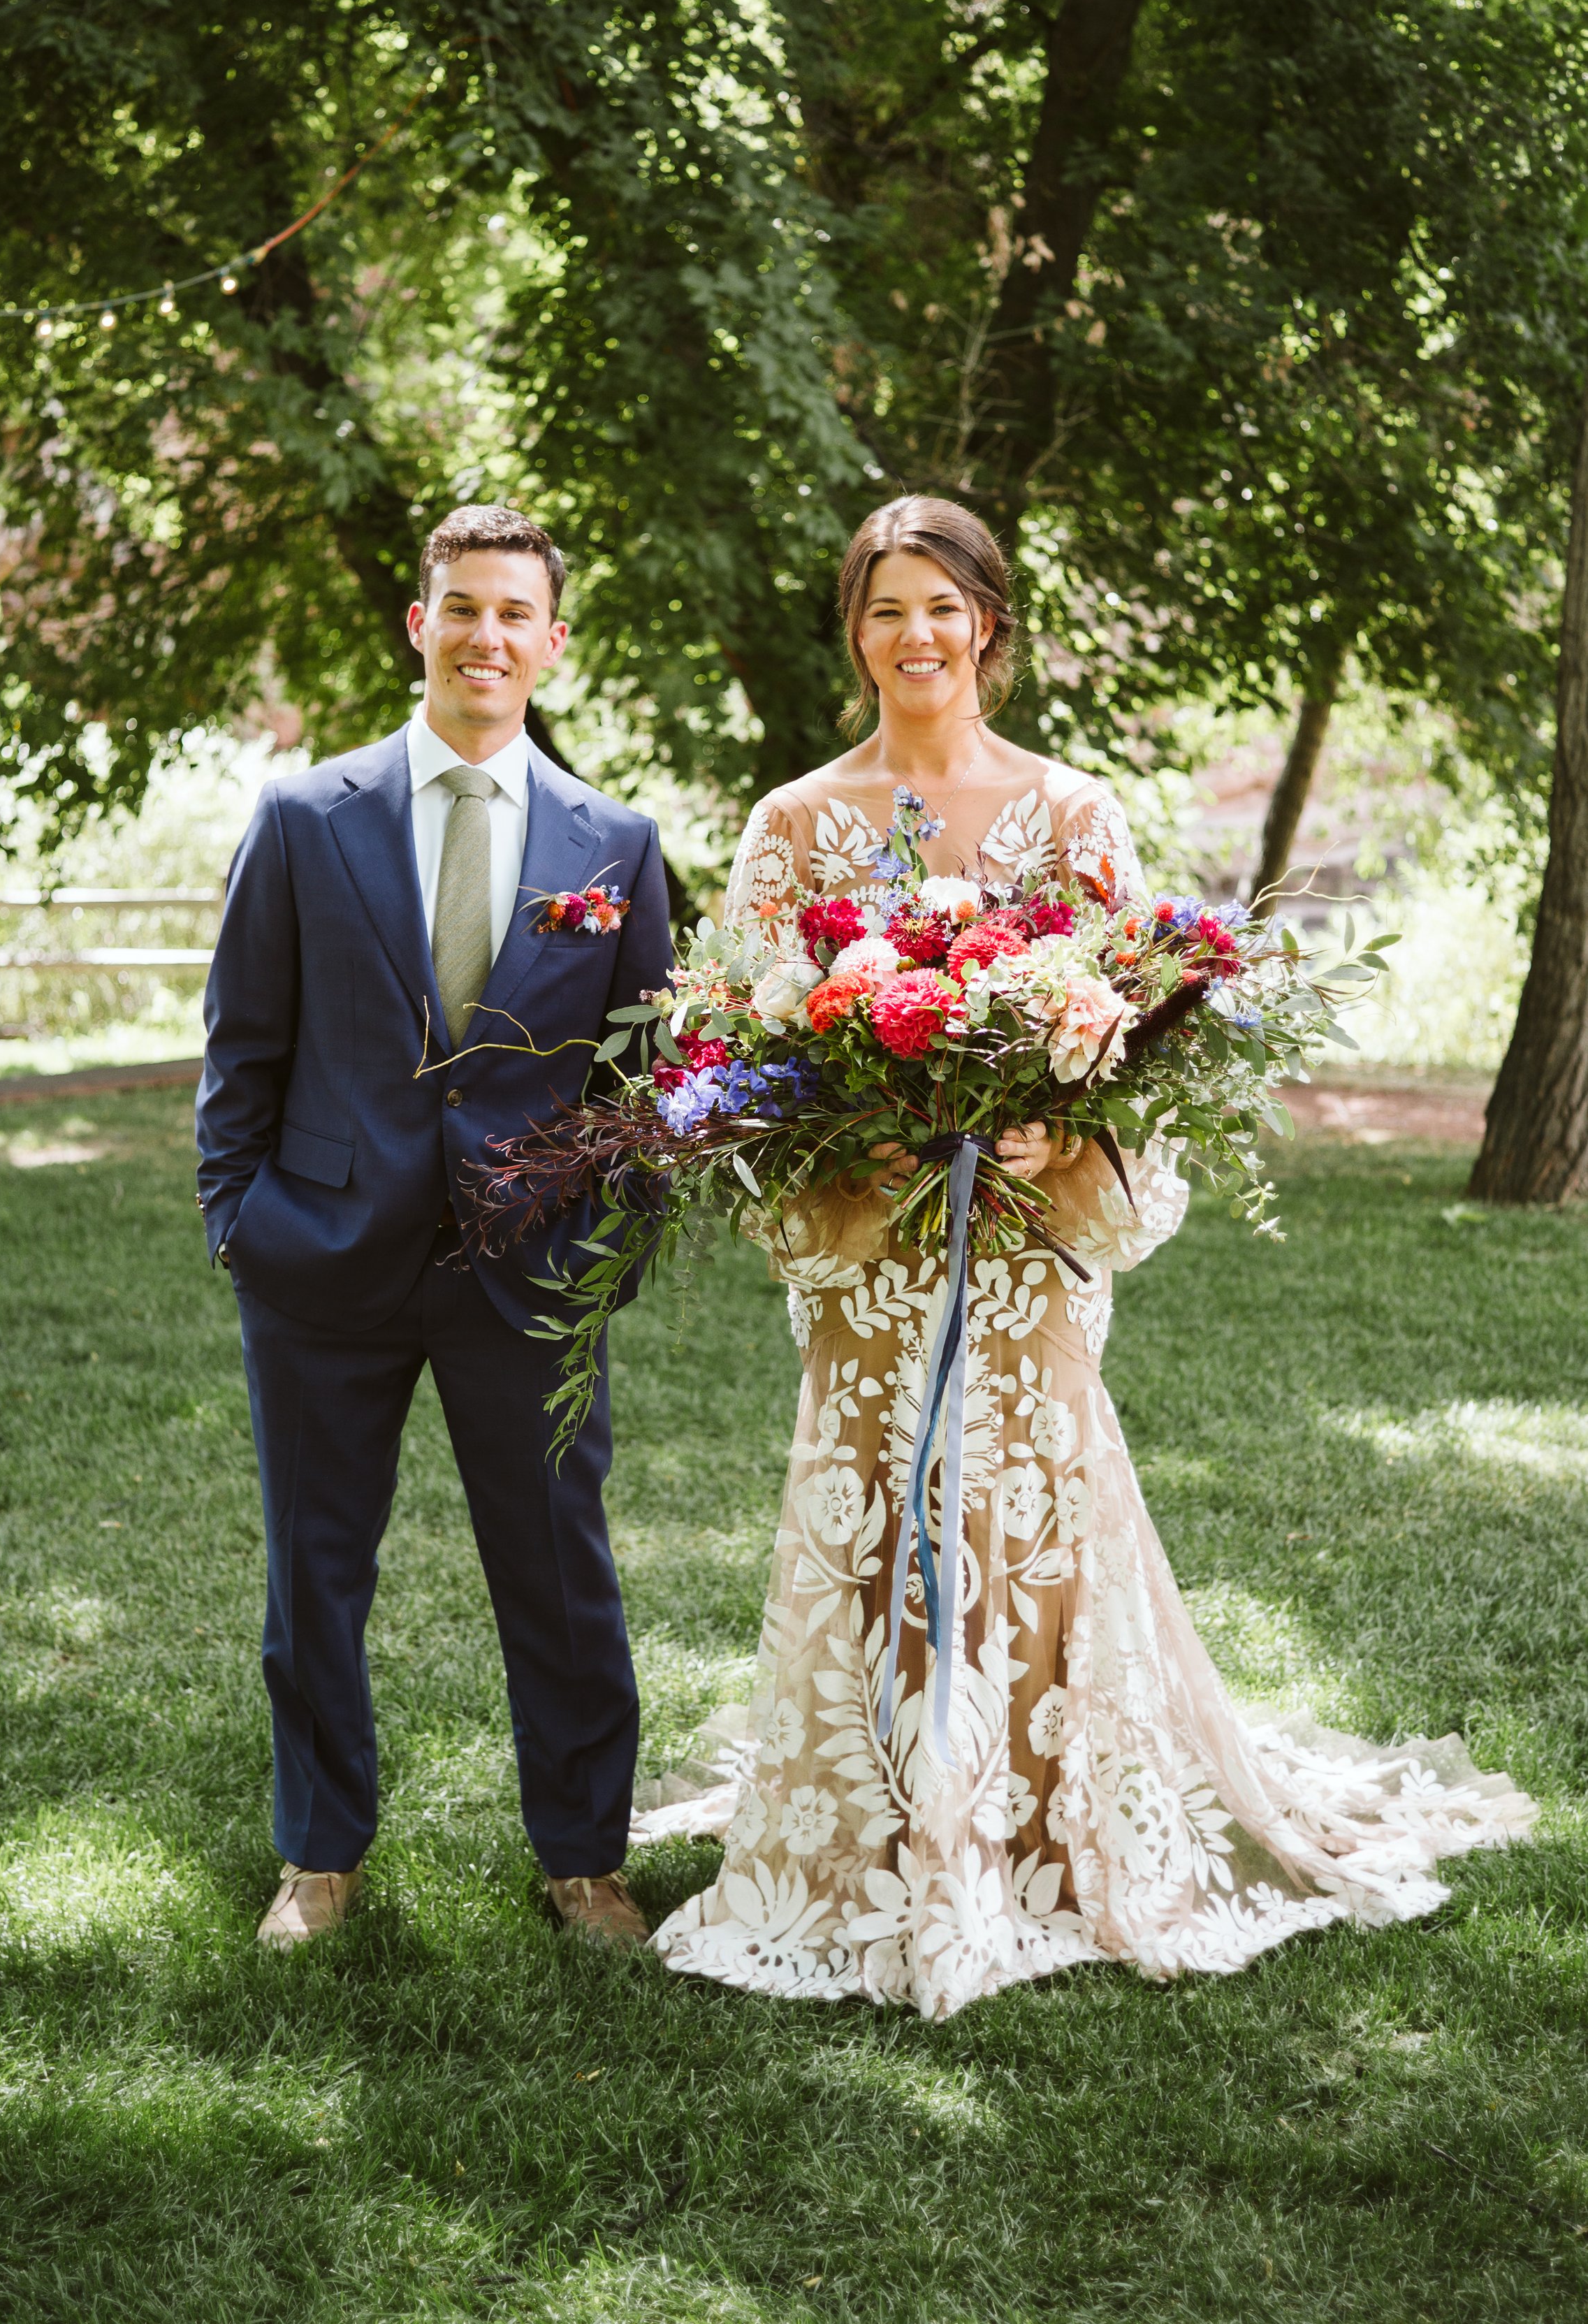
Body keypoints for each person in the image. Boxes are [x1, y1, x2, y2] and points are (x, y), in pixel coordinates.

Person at [641, 494, 1534, 2017]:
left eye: (941, 606)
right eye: (883, 609)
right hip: (875, 1246)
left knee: (1031, 1505)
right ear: (852, 633)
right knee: (873, 1502)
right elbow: (733, 1052)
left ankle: (1046, 1813)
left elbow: (1140, 1056)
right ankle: (877, 1824)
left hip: (1028, 1246)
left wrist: (1069, 1136)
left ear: (987, 623)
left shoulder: (1074, 816)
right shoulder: (792, 825)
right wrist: (844, 1145)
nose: (913, 636)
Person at [197, 504, 673, 1950]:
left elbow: (648, 1084)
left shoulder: (619, 844)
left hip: (526, 1277)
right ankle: (318, 1853)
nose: (486, 635)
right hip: (321, 1266)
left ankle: (583, 1857)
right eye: (461, 607)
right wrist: (242, 1224)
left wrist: (613, 1247)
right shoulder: (302, 817)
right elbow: (243, 1050)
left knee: (561, 1575)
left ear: (552, 643)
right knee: (314, 1579)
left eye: (514, 613)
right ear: (421, 624)